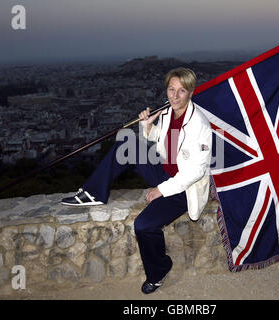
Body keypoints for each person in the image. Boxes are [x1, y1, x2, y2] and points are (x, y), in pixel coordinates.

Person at [61, 67, 212, 294]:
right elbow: (161, 142)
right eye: (171, 89)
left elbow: (195, 172)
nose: (175, 95)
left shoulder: (200, 124)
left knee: (143, 225)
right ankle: (93, 193)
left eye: (182, 91)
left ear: (191, 92)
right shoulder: (169, 112)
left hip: (183, 188)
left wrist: (161, 189)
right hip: (163, 170)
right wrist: (148, 126)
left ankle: (159, 271)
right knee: (126, 143)